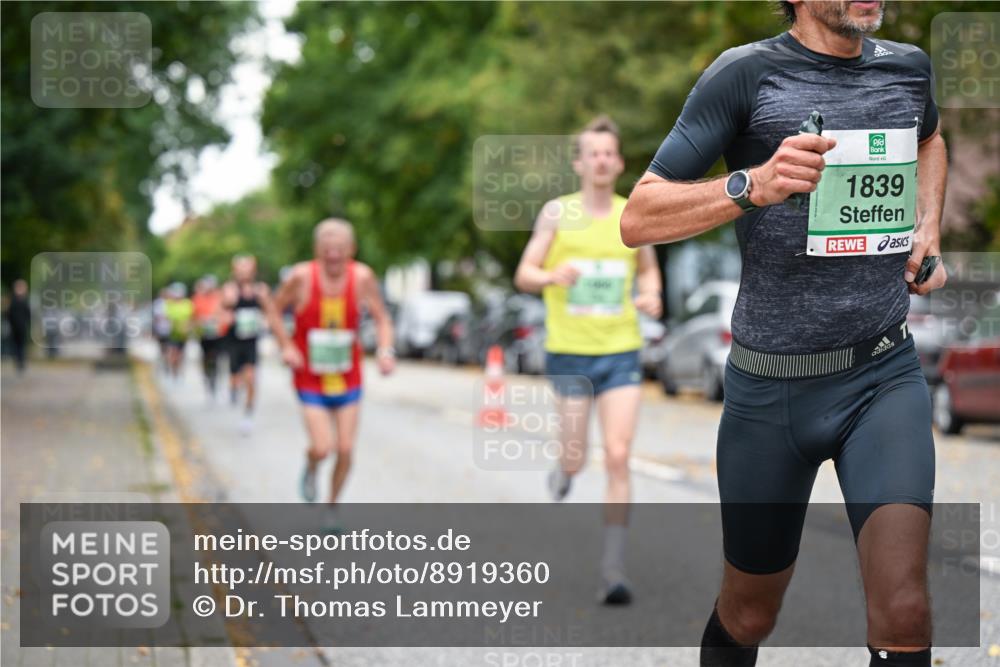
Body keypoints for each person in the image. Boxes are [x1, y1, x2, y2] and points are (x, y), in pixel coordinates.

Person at [620, 1, 947, 665]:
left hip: (882, 375)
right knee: (750, 610)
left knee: (905, 607)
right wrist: (752, 185)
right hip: (771, 394)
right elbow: (639, 216)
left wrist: (927, 226)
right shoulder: (745, 76)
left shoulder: (909, 70)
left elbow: (930, 140)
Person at [514, 116, 663, 605]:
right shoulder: (558, 213)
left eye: (608, 153)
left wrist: (651, 298)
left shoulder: (631, 215)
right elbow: (524, 273)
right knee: (576, 457)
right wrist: (552, 274)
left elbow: (649, 274)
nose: (601, 160)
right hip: (570, 352)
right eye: (592, 153)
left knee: (618, 455)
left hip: (620, 349)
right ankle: (563, 472)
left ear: (618, 163)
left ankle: (613, 567)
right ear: (580, 162)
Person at [264, 219, 395, 531]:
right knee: (323, 447)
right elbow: (272, 309)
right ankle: (311, 467)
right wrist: (286, 346)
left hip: (347, 375)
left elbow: (382, 317)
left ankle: (332, 506)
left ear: (351, 249)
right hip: (309, 376)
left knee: (346, 449)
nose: (333, 255)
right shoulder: (301, 277)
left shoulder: (362, 277)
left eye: (339, 249)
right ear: (317, 250)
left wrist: (386, 350)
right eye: (327, 249)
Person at [222, 255, 271, 435]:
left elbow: (269, 310)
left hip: (251, 340)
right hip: (234, 339)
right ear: (234, 271)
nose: (244, 272)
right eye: (240, 269)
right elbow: (224, 306)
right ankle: (234, 388)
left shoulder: (260, 290)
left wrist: (266, 320)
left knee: (251, 378)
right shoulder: (230, 289)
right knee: (235, 379)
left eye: (247, 268)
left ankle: (248, 415)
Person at [191, 275, 228, 402]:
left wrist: (219, 319)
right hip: (204, 334)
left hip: (218, 333)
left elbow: (225, 312)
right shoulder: (198, 298)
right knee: (206, 357)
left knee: (216, 356)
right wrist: (199, 322)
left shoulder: (219, 297)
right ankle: (207, 375)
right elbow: (193, 315)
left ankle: (215, 378)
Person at [163, 282, 194, 379]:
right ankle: (172, 368)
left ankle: (178, 368)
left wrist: (187, 327)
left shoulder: (187, 304)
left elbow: (191, 318)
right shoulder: (169, 303)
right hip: (172, 333)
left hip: (183, 334)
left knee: (180, 353)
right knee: (172, 352)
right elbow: (166, 317)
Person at [5, 279, 30, 374]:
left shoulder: (20, 300)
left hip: (21, 327)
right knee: (17, 345)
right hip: (16, 327)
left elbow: (28, 314)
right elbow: (8, 314)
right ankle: (19, 362)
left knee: (20, 345)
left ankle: (21, 362)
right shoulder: (14, 300)